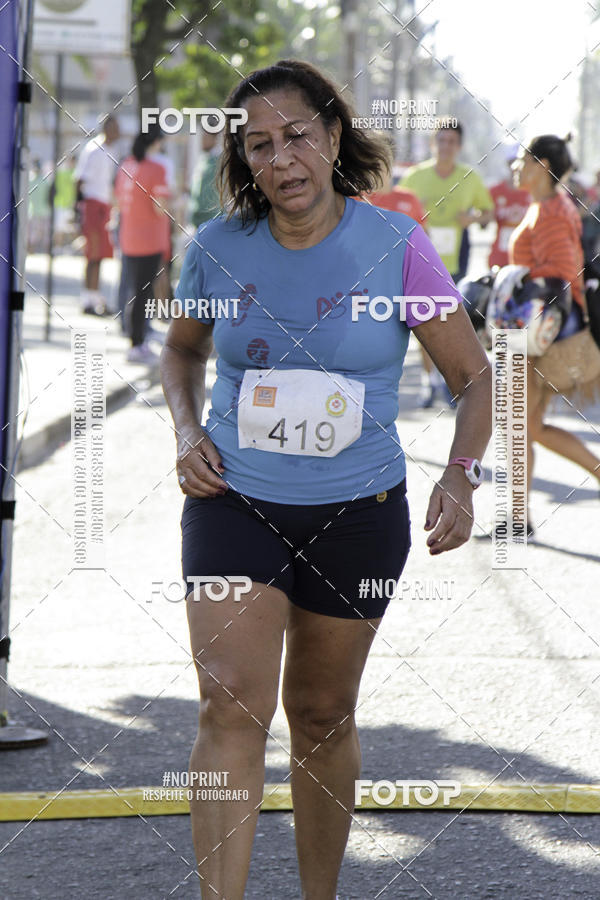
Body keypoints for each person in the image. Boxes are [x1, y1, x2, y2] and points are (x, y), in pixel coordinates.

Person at [160, 59, 491, 899]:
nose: (281, 159)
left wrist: (461, 476)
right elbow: (180, 352)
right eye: (260, 145)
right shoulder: (215, 248)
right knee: (229, 703)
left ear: (333, 136)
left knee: (320, 714)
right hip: (232, 501)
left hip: (357, 513)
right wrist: (189, 428)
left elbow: (476, 378)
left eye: (298, 135)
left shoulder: (394, 245)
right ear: (244, 159)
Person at [510, 134, 600, 534]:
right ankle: (517, 516)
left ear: (541, 166)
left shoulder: (549, 211)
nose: (515, 167)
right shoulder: (546, 206)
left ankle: (516, 517)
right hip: (535, 332)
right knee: (528, 426)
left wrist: (514, 286)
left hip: (537, 336)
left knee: (518, 424)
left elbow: (562, 277)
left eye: (520, 161)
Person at [401, 122, 494, 407]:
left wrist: (473, 219)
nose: (446, 146)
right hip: (420, 258)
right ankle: (430, 382)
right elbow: (395, 211)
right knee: (422, 319)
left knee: (450, 321)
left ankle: (449, 382)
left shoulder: (469, 176)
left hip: (456, 259)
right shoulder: (414, 177)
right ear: (433, 143)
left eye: (452, 141)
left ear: (459, 146)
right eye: (441, 140)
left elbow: (489, 213)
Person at [114, 125, 170, 363]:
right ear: (155, 142)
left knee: (131, 288)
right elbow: (160, 208)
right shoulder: (156, 169)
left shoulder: (126, 165)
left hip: (129, 236)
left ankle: (134, 335)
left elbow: (115, 199)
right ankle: (137, 342)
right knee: (143, 292)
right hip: (149, 239)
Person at [74, 115, 120, 315]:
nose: (118, 132)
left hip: (104, 206)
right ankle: (87, 300)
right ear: (106, 128)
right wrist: (76, 211)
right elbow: (80, 180)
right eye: (114, 127)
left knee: (100, 254)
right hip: (92, 205)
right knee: (92, 253)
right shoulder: (93, 149)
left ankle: (94, 297)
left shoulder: (112, 151)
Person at [488, 143, 530, 269]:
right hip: (500, 257)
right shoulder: (495, 191)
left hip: (526, 259)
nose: (516, 166)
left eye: (520, 162)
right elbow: (483, 221)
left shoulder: (534, 192)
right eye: (512, 161)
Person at [188, 126, 221, 228]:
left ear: (214, 139)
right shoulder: (203, 159)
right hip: (197, 219)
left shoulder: (221, 161)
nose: (202, 141)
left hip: (212, 219)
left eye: (205, 138)